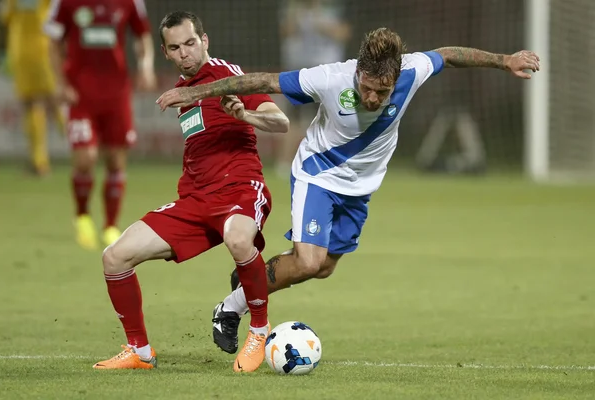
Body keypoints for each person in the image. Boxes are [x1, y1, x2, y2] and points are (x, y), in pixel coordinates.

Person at [156, 28, 540, 354]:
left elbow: (450, 55)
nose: (373, 97)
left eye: (382, 91)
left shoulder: (414, 69)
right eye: (368, 87)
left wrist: (505, 60)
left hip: (362, 187)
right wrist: (196, 94)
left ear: (397, 75)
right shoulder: (329, 77)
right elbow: (261, 81)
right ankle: (232, 307)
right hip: (317, 174)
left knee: (322, 269)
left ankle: (248, 281)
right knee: (308, 261)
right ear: (357, 73)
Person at [91, 11, 289, 372]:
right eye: (175, 48)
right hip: (196, 201)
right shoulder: (181, 92)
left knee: (238, 238)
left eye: (191, 44)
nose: (185, 53)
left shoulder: (228, 75)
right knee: (114, 257)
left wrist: (244, 116)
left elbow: (280, 122)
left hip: (240, 189)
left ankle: (259, 331)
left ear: (205, 41)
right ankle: (140, 351)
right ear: (165, 53)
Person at [43, 0, 156, 250]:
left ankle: (110, 226)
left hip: (117, 93)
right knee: (86, 159)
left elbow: (143, 35)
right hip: (80, 95)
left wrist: (146, 67)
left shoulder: (130, 2)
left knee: (116, 161)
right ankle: (82, 216)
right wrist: (60, 83)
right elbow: (52, 41)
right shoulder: (66, 2)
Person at [275, 0, 350, 178]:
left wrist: (321, 22)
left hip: (328, 71)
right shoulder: (292, 7)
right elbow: (285, 31)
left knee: (333, 117)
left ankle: (335, 162)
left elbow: (343, 33)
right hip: (299, 70)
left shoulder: (334, 7)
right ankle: (284, 164)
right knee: (293, 118)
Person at [0, 0, 66, 176]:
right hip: (43, 48)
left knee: (33, 102)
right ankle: (79, 142)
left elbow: (5, 17)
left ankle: (39, 160)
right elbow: (58, 16)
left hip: (21, 50)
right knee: (51, 97)